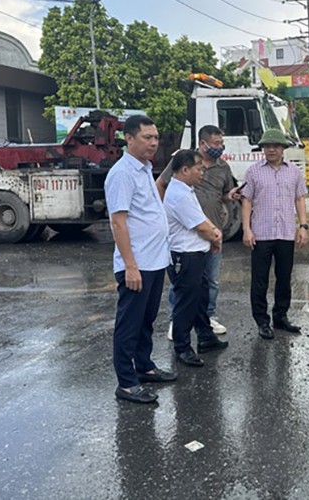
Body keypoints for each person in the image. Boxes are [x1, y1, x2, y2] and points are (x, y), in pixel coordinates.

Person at [104, 115, 176, 404]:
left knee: (146, 321)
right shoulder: (122, 173)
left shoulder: (144, 168)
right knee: (129, 324)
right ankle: (127, 382)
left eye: (156, 137)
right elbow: (118, 222)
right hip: (137, 265)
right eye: (148, 137)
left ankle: (144, 366)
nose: (154, 143)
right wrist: (130, 266)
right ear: (129, 139)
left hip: (155, 261)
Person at [157, 125, 242, 340]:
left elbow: (223, 194)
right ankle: (176, 321)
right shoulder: (184, 161)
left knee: (208, 281)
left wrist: (229, 196)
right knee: (183, 284)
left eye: (221, 144)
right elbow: (161, 184)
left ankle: (207, 318)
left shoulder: (223, 167)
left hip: (211, 230)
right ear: (203, 143)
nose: (220, 147)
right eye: (216, 144)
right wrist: (161, 216)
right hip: (190, 233)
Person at [242, 129, 308, 340]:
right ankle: (262, 321)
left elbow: (299, 199)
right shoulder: (253, 171)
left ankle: (280, 316)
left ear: (283, 149)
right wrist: (246, 229)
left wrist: (303, 226)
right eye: (267, 146)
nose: (271, 150)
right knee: (260, 280)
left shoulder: (294, 172)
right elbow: (247, 200)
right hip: (261, 233)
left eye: (276, 146)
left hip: (286, 233)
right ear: (262, 149)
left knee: (284, 278)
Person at [164, 149, 228, 368]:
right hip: (185, 256)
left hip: (195, 254)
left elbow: (202, 219)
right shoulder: (179, 194)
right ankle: (182, 348)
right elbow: (201, 226)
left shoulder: (185, 189)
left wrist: (214, 234)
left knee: (200, 297)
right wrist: (216, 237)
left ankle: (205, 336)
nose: (202, 173)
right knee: (186, 303)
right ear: (184, 170)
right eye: (198, 169)